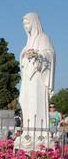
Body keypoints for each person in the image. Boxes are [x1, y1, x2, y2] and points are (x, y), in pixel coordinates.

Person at [18, 13, 55, 150]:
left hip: (38, 79)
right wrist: (24, 56)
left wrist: (38, 55)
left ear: (34, 22)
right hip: (27, 79)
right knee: (25, 102)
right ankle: (27, 133)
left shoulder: (43, 38)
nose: (25, 26)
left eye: (27, 23)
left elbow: (50, 54)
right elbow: (22, 61)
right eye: (24, 24)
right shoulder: (28, 42)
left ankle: (39, 135)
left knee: (35, 104)